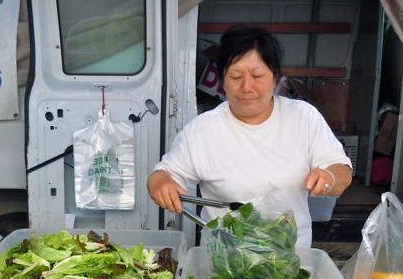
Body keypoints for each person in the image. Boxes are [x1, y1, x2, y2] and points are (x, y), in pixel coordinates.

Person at [147, 25, 352, 248]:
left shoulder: (303, 117)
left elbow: (341, 173)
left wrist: (329, 178)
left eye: (257, 75)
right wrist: (161, 184)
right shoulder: (203, 130)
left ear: (275, 77)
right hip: (223, 260)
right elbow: (163, 175)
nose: (246, 87)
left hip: (290, 259)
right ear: (222, 80)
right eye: (235, 76)